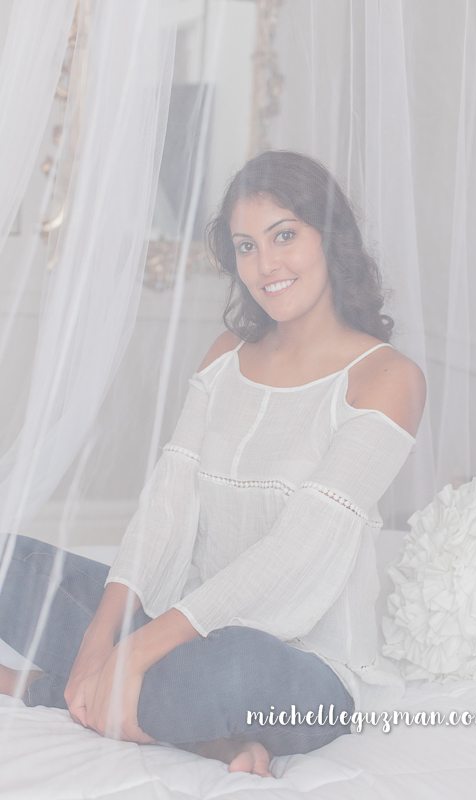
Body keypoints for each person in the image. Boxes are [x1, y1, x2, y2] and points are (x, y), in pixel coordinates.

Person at [0, 150, 426, 778]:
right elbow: (166, 506)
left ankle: (47, 688)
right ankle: (181, 725)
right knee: (11, 564)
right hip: (182, 623)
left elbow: (297, 551)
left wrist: (135, 650)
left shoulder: (386, 377)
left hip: (300, 668)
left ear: (329, 236)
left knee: (229, 669)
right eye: (246, 246)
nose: (266, 265)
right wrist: (99, 641)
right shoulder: (226, 354)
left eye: (284, 235)